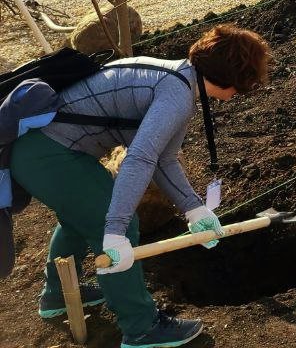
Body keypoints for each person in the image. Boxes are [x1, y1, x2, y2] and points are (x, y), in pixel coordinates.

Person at [9, 24, 271, 348]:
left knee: (82, 216)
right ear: (233, 78)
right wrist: (117, 228)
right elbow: (141, 159)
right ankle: (142, 327)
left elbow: (165, 159)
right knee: (114, 219)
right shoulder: (176, 95)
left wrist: (194, 208)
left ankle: (58, 296)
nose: (238, 95)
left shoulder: (178, 78)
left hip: (42, 149)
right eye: (245, 84)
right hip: (48, 153)